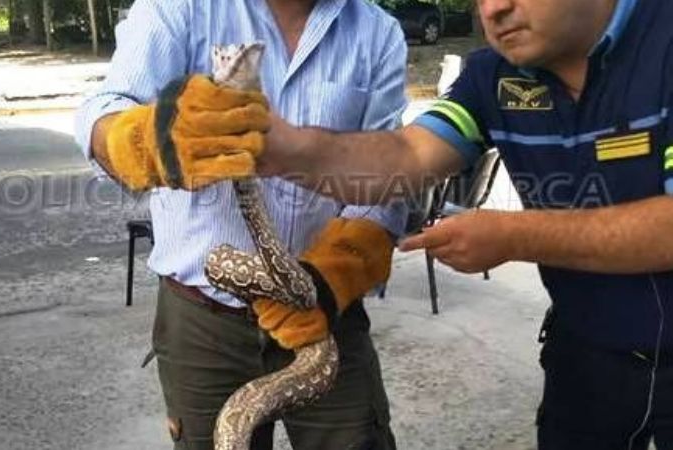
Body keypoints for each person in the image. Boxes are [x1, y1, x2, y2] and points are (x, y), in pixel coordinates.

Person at [252, 0, 673, 448]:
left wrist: (513, 235)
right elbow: (408, 156)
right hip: (585, 356)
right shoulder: (492, 75)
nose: (493, 10)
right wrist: (285, 150)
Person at [74, 0, 410, 448]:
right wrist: (145, 140)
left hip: (326, 316)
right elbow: (102, 110)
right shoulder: (179, 7)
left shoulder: (377, 32)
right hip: (202, 320)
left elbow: (387, 182)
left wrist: (330, 282)